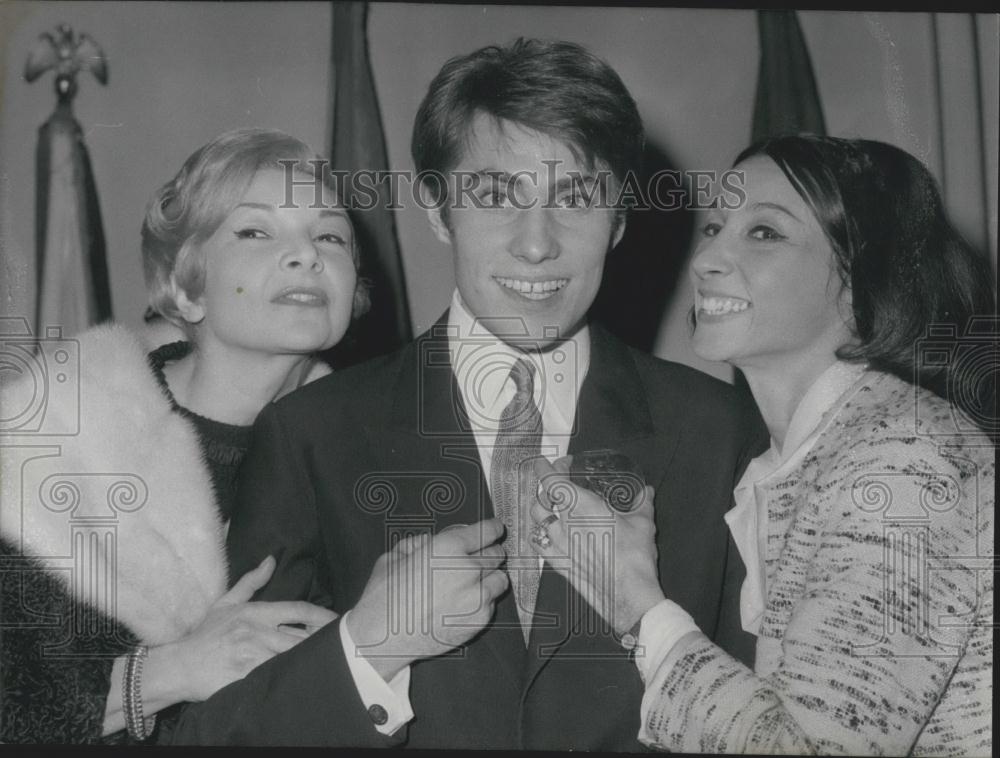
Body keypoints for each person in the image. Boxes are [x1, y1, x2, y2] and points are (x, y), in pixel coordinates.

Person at [225, 38, 767, 750]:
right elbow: (232, 728)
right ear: (435, 208)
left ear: (622, 219)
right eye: (494, 195)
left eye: (575, 198)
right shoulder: (309, 436)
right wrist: (366, 651)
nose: (536, 244)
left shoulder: (721, 432)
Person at [0, 127, 507, 745]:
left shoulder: (379, 452)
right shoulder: (55, 440)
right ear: (186, 288)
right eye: (256, 232)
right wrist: (166, 672)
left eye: (329, 236)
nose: (306, 256)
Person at [529, 134, 995, 755]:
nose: (706, 260)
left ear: (865, 277)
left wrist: (634, 600)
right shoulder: (800, 458)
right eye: (715, 228)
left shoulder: (905, 460)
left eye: (765, 233)